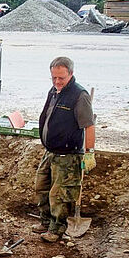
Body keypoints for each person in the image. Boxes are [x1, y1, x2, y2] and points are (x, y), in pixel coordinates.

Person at [33, 56, 96, 243]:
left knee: (59, 195)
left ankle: (56, 229)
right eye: (54, 77)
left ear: (71, 74)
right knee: (41, 187)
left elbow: (89, 126)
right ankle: (46, 221)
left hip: (68, 155)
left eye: (61, 78)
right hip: (50, 152)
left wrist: (89, 152)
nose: (57, 82)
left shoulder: (79, 96)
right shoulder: (54, 91)